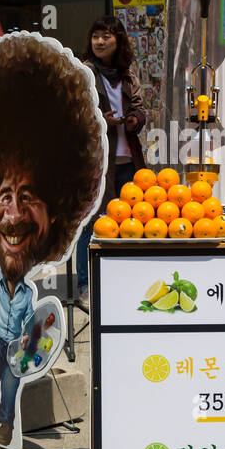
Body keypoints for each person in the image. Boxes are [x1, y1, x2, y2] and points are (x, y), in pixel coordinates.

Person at [0, 34, 104, 446]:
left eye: (28, 198)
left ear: (56, 211)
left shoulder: (29, 292)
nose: (14, 215)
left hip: (20, 346)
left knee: (12, 379)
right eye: (3, 197)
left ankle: (5, 421)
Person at [75, 16, 147, 302]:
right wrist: (98, 120)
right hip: (96, 162)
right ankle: (86, 284)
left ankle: (123, 280)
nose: (100, 42)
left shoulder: (128, 75)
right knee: (90, 223)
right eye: (96, 36)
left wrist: (134, 120)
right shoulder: (84, 73)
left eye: (106, 36)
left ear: (118, 41)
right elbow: (73, 113)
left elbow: (141, 108)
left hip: (128, 160)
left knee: (128, 221)